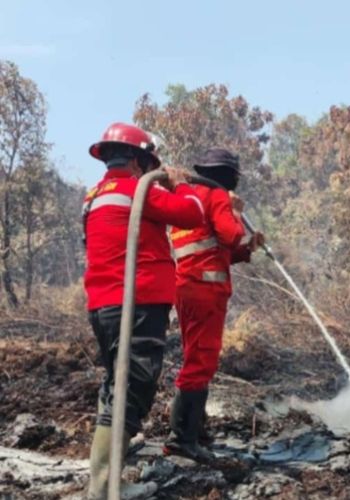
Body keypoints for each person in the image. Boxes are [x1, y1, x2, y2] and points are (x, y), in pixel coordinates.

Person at [83, 123, 205, 498]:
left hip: (103, 305)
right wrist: (176, 183)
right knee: (132, 390)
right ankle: (103, 490)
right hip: (135, 305)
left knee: (116, 386)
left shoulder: (93, 196)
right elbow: (192, 213)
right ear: (138, 160)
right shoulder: (138, 190)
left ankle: (106, 482)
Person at [164, 148, 264, 461]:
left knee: (197, 357)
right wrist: (234, 210)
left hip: (188, 288)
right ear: (228, 176)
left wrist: (249, 248)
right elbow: (229, 234)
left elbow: (215, 248)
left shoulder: (190, 199)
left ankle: (196, 430)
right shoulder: (217, 196)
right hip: (205, 290)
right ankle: (182, 439)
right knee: (201, 361)